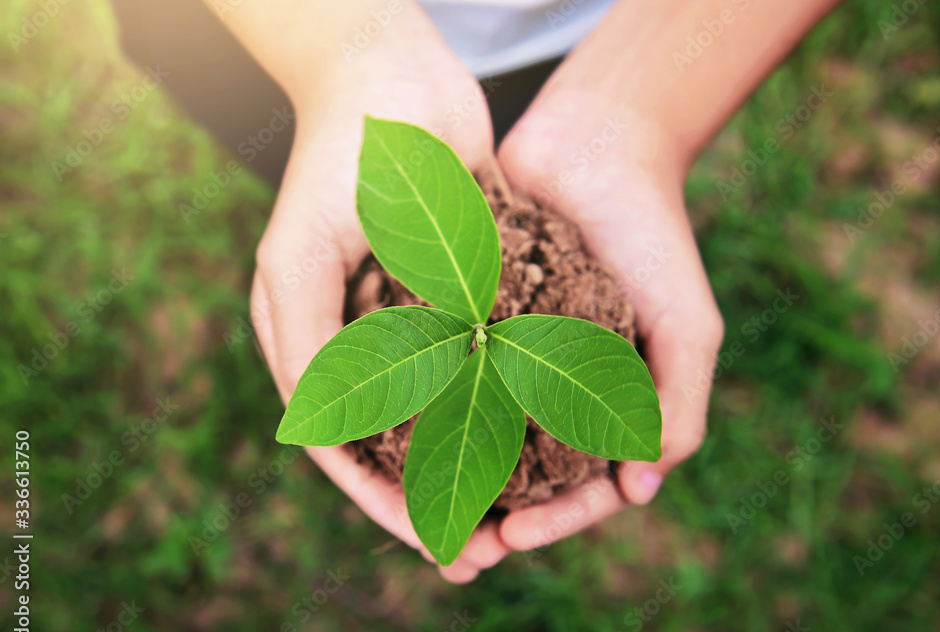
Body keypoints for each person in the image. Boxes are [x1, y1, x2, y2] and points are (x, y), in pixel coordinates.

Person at [113, 0, 841, 583]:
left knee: (353, 187)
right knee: (276, 142)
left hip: (597, 41)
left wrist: (642, 114)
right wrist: (343, 53)